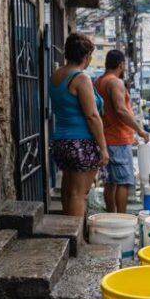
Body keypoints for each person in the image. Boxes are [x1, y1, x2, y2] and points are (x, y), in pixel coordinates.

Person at [49, 33, 108, 220]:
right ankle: (77, 241)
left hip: (62, 141)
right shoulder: (81, 78)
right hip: (81, 143)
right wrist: (104, 148)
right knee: (79, 195)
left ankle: (69, 237)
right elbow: (92, 115)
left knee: (68, 193)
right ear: (86, 55)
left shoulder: (57, 75)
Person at [95, 50, 150, 213]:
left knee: (110, 182)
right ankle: (122, 217)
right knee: (123, 182)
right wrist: (139, 130)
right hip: (118, 139)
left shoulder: (97, 82)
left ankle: (112, 216)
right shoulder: (115, 82)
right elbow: (120, 110)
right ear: (121, 65)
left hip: (105, 138)